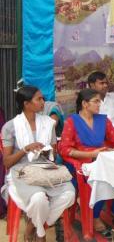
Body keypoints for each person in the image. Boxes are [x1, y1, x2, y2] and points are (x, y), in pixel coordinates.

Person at [2, 86, 75, 241]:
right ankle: (41, 234)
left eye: (42, 98)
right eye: (39, 99)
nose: (43, 101)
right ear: (26, 104)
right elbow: (7, 162)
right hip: (22, 171)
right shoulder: (11, 127)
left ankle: (33, 226)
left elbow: (54, 156)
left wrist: (46, 152)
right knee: (38, 198)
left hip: (46, 169)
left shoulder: (48, 123)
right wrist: (26, 149)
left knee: (69, 194)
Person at [59, 88, 114, 235]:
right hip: (80, 164)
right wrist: (89, 154)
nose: (99, 105)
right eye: (96, 101)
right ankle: (94, 216)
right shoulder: (72, 121)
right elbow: (64, 149)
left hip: (102, 160)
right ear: (84, 104)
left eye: (99, 102)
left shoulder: (103, 120)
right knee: (100, 179)